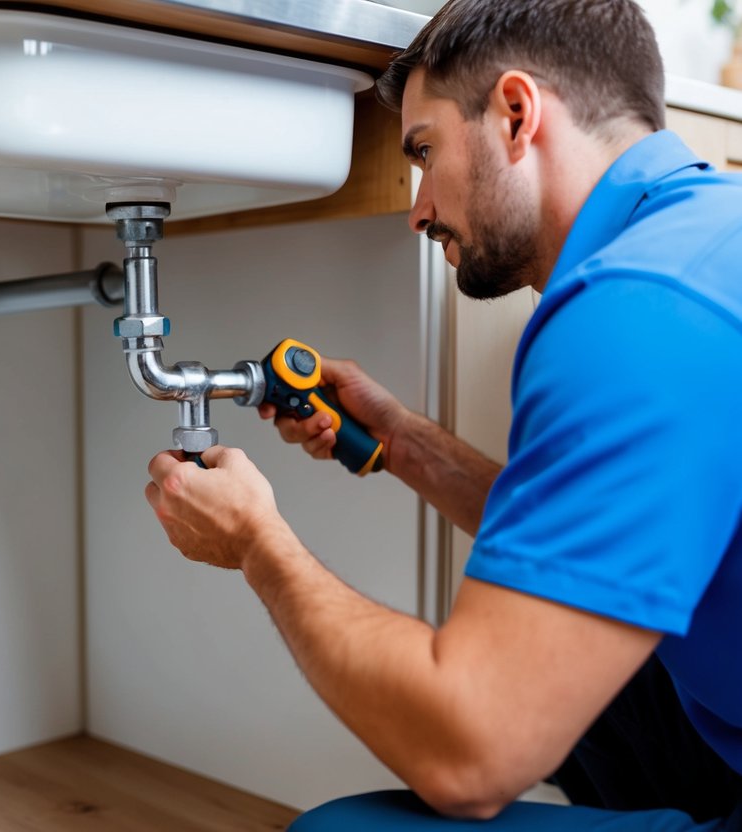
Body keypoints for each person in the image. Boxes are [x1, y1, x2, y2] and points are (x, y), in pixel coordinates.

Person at [143, 0, 742, 828]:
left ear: (516, 113)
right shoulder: (706, 234)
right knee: (571, 652)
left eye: (423, 151)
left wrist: (256, 544)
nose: (417, 207)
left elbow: (470, 756)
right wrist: (398, 439)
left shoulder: (628, 312)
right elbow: (578, 545)